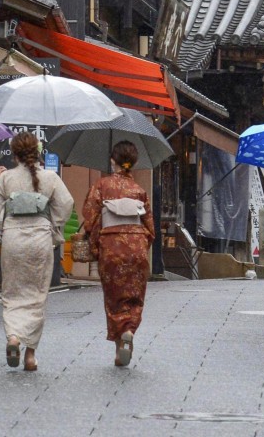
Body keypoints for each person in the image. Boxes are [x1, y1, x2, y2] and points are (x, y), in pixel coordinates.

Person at [0, 132, 73, 371]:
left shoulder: (6, 178)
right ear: (37, 151)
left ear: (14, 154)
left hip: (14, 239)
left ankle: (13, 336)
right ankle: (30, 355)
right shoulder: (50, 177)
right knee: (37, 295)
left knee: (12, 292)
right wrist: (51, 225)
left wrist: (5, 222)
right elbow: (66, 204)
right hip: (40, 239)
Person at [82, 141, 155, 367]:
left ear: (113, 161)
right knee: (134, 296)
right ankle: (129, 331)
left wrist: (95, 244)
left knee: (114, 297)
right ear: (132, 163)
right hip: (136, 245)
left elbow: (90, 218)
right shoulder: (139, 192)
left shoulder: (101, 186)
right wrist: (141, 245)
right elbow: (150, 228)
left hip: (111, 245)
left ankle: (119, 346)